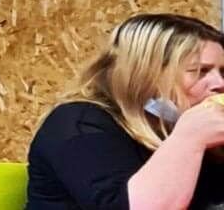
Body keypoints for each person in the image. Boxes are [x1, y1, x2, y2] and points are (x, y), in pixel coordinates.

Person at [28, 13, 224, 209]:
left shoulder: (169, 124)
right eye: (200, 71)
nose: (219, 84)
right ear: (148, 74)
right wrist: (190, 137)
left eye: (222, 72)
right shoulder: (79, 123)